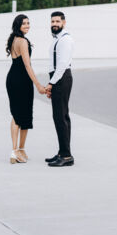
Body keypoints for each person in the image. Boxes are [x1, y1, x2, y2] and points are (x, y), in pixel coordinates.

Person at [5, 14, 46, 164]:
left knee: (20, 114)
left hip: (13, 79)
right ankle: (15, 151)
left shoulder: (14, 39)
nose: (27, 26)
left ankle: (20, 150)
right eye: (24, 24)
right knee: (20, 115)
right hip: (21, 80)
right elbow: (27, 66)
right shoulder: (22, 41)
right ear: (18, 25)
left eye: (28, 23)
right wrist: (38, 85)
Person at [44, 11, 74, 167]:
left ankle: (66, 156)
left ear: (64, 23)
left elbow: (62, 65)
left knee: (60, 117)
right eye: (52, 21)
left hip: (61, 78)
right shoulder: (57, 39)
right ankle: (63, 152)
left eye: (57, 21)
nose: (54, 24)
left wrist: (51, 83)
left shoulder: (65, 40)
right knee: (60, 116)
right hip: (58, 78)